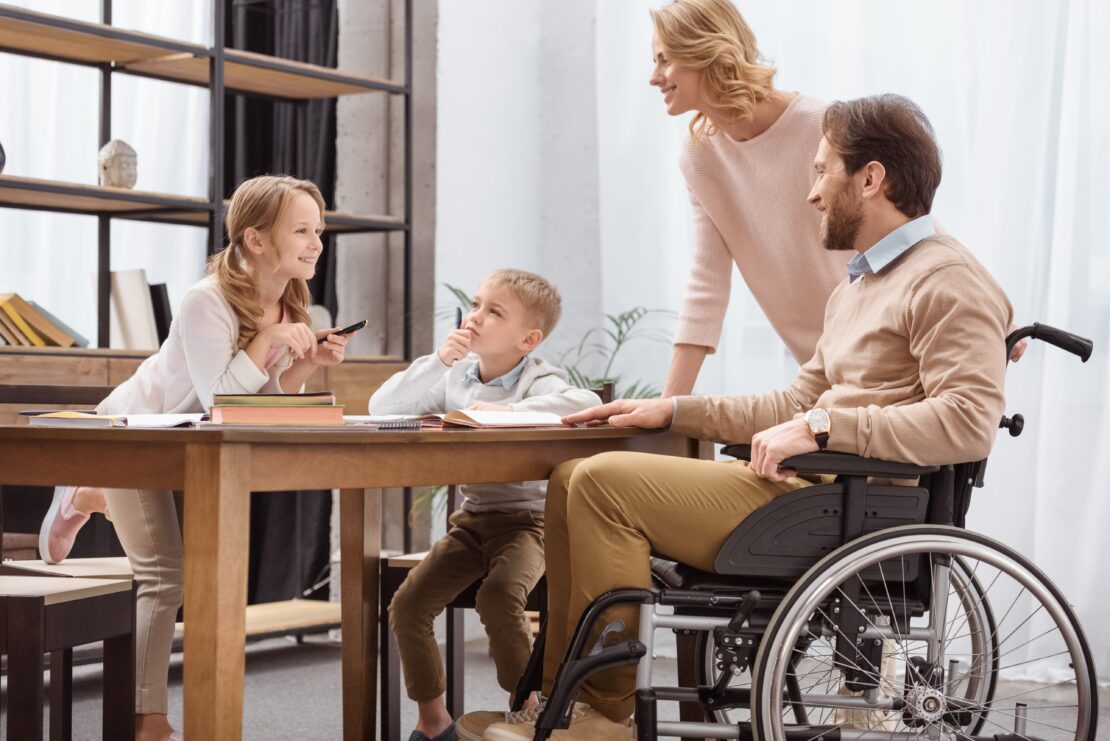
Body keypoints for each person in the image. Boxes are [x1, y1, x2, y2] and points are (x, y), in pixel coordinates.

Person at [477, 94, 1013, 741]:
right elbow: (794, 400)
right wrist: (675, 408)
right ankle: (561, 702)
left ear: (871, 179)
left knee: (600, 485)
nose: (811, 193)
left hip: (850, 507)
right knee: (572, 478)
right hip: (814, 491)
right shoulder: (861, 284)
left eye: (822, 171)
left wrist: (824, 428)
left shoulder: (948, 279)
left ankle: (604, 716)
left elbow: (967, 422)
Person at [37, 175, 352, 741]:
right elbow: (222, 399)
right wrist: (267, 343)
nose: (316, 243)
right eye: (301, 230)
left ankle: (84, 494)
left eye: (319, 231)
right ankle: (147, 720)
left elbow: (260, 404)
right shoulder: (205, 300)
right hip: (129, 434)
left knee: (171, 566)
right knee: (165, 574)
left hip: (179, 438)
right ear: (255, 239)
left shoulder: (286, 302)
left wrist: (307, 363)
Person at [648, 0, 1021, 397]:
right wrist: (666, 411)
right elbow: (707, 283)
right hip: (822, 368)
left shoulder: (820, 124)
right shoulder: (699, 156)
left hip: (891, 346)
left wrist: (991, 302)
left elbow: (909, 219)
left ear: (705, 51)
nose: (654, 77)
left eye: (664, 60)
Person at [370, 269, 601, 741]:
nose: (475, 316)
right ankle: (434, 720)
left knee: (498, 597)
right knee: (408, 604)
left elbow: (584, 400)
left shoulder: (540, 379)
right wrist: (437, 361)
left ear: (528, 339)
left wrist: (509, 414)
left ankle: (529, 708)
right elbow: (382, 407)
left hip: (530, 524)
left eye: (493, 311)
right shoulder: (456, 377)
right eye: (475, 305)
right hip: (472, 523)